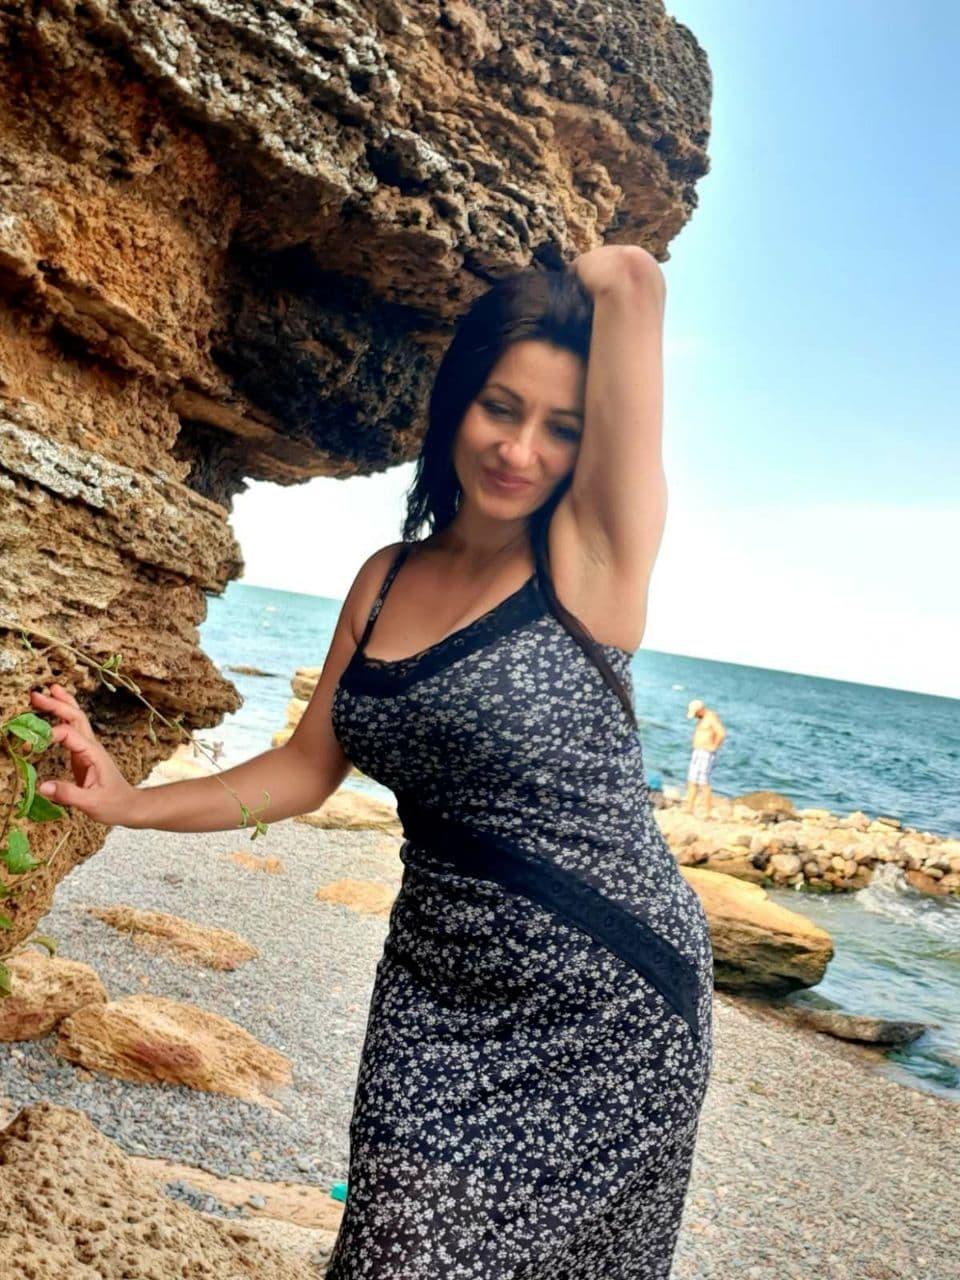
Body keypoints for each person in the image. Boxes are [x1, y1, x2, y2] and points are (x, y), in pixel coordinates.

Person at [31, 246, 714, 1279]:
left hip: (609, 1004)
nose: (520, 449)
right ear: (457, 403)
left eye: (562, 427)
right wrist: (130, 801)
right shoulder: (385, 579)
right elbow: (306, 768)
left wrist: (561, 271)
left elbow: (634, 280)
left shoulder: (593, 560)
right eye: (500, 407)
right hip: (432, 995)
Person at [683, 698, 726, 816]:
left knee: (703, 782)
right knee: (691, 781)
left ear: (700, 710)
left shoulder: (711, 717)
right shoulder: (702, 718)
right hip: (697, 752)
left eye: (696, 713)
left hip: (706, 753)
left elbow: (721, 733)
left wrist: (714, 746)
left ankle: (708, 812)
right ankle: (689, 808)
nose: (695, 716)